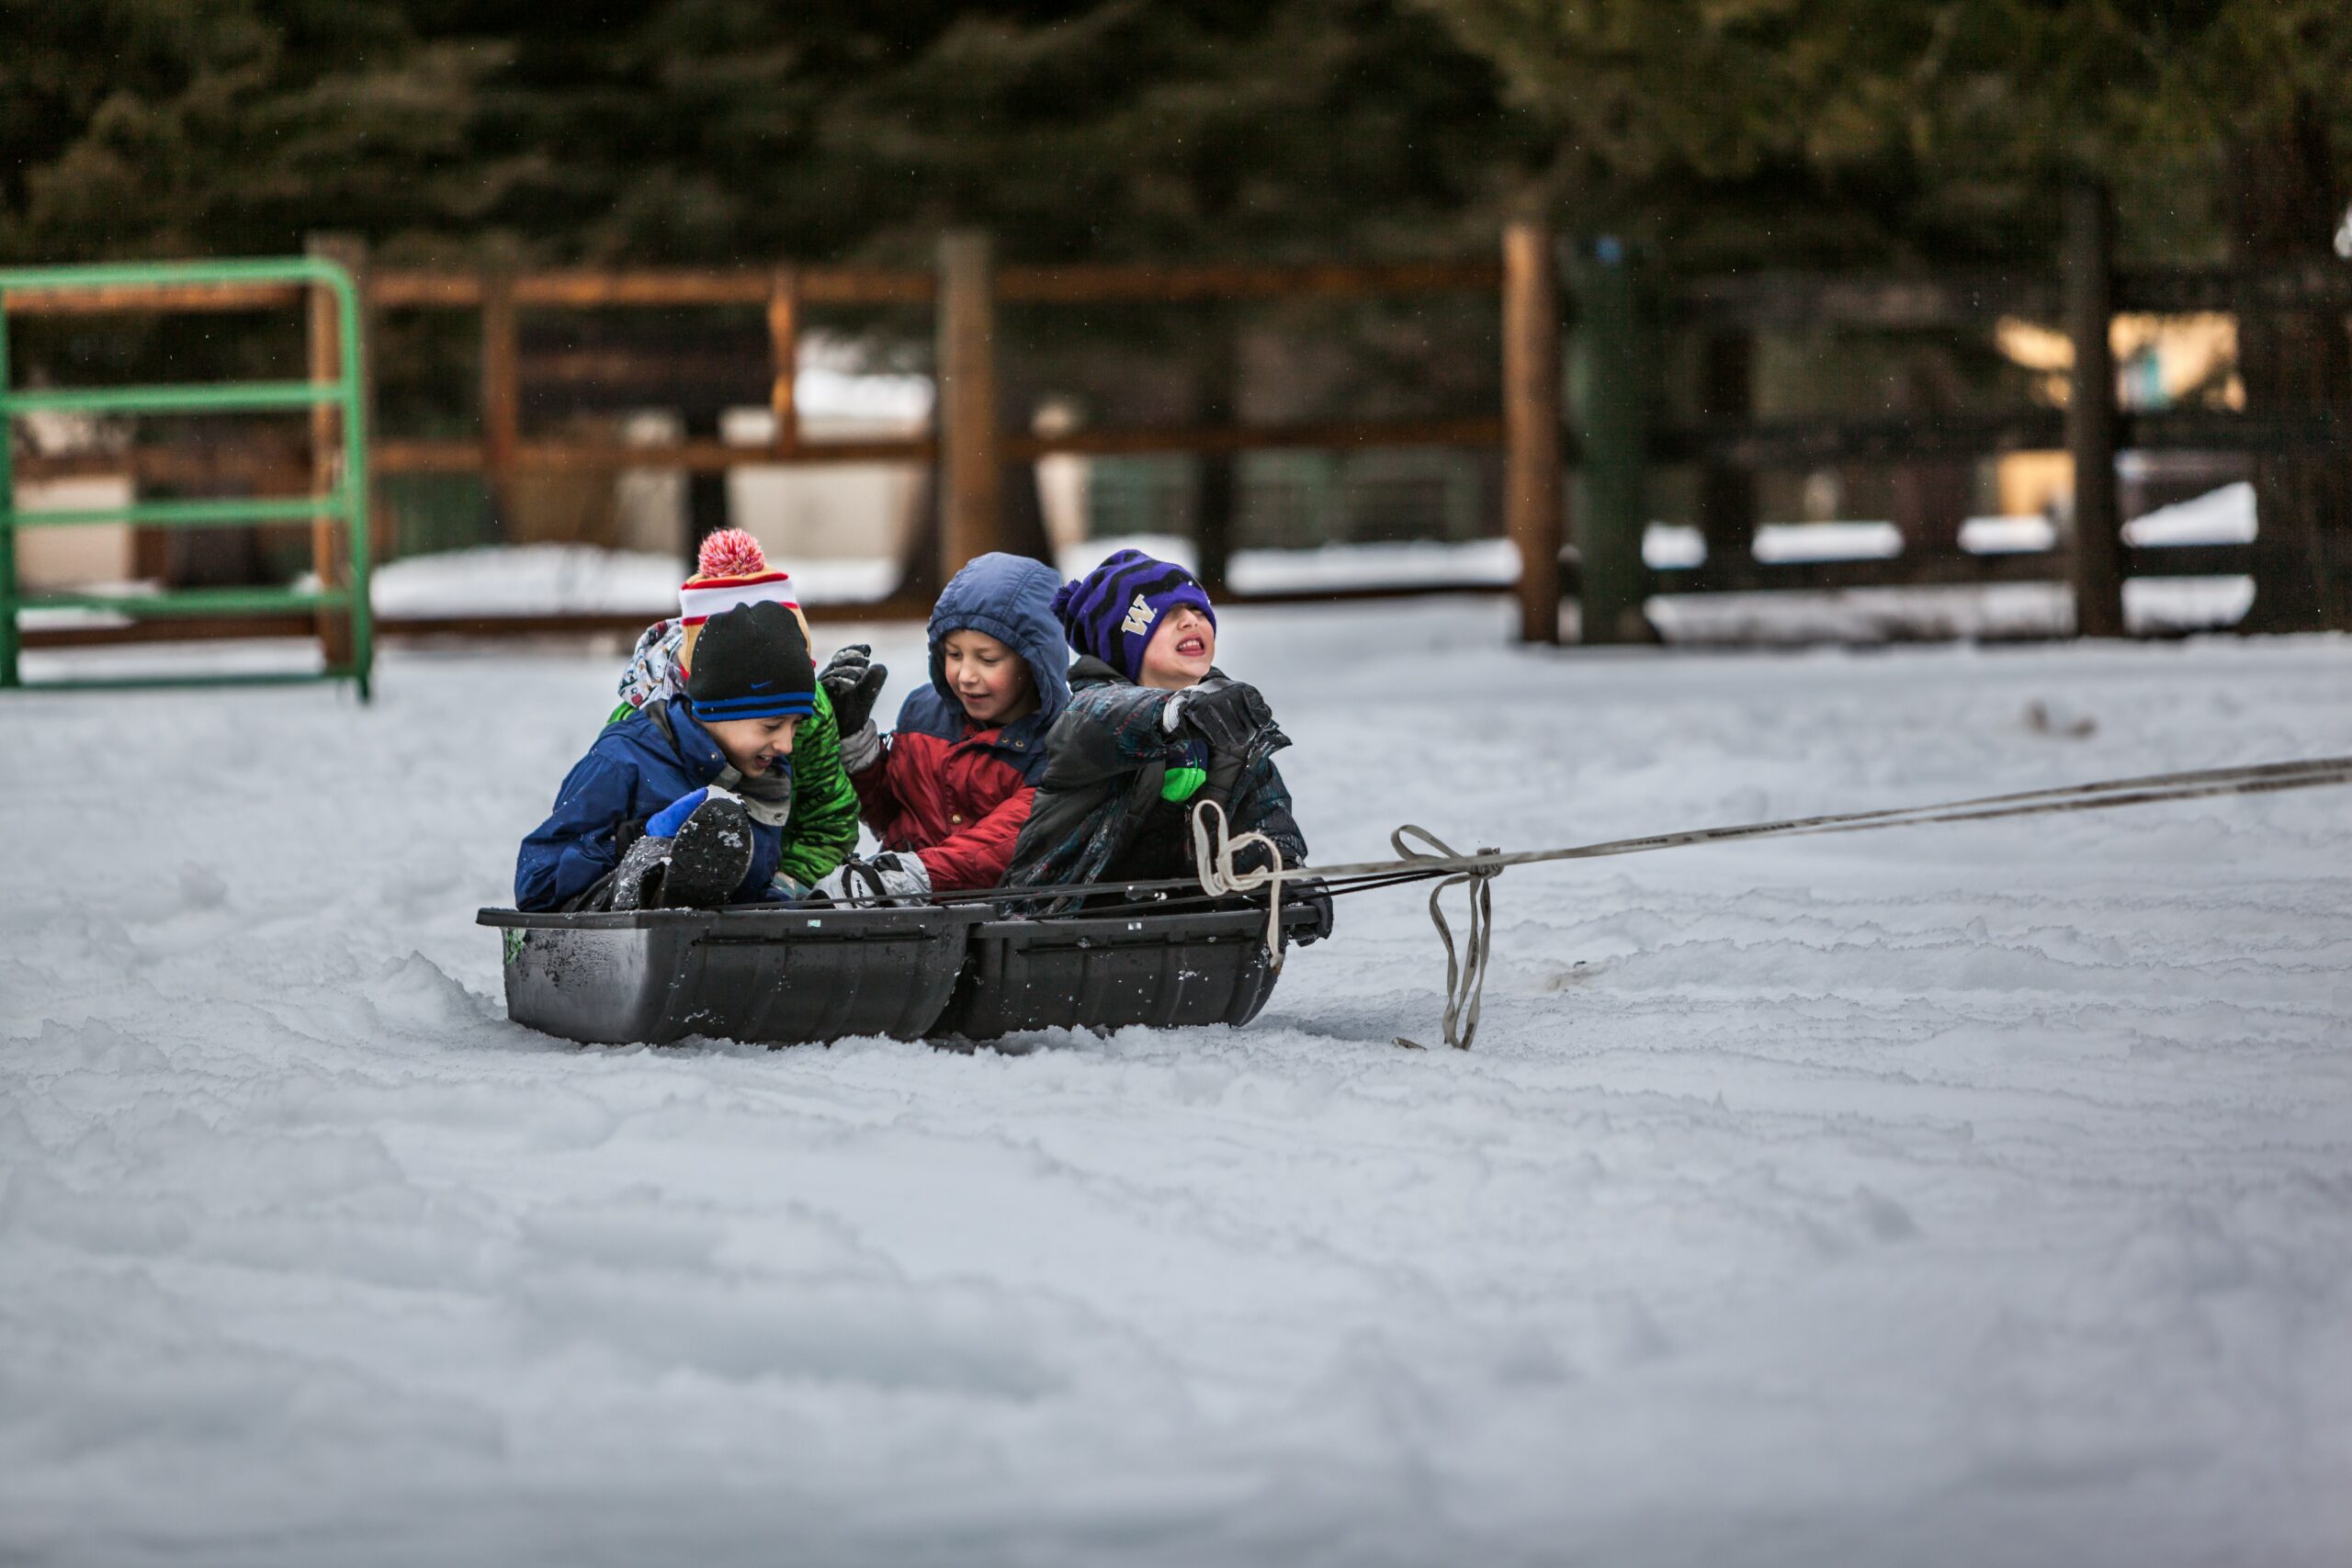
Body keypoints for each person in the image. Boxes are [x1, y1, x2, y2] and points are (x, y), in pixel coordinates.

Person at [1002, 548, 1331, 942]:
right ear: (1123, 646)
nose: (1190, 620)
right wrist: (1175, 711)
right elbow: (1111, 717)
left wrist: (1283, 877)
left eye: (1197, 611)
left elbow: (1264, 815)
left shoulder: (1226, 723)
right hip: (1051, 930)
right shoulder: (1088, 716)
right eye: (1167, 616)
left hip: (1183, 926)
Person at [516, 600, 817, 911]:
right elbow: (537, 883)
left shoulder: (767, 774)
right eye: (771, 726)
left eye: (795, 725)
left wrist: (797, 909)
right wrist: (632, 839)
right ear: (718, 710)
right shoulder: (624, 761)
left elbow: (748, 892)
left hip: (709, 947)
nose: (786, 745)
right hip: (614, 941)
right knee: (652, 863)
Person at [811, 551, 1072, 901]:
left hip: (997, 925)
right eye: (953, 654)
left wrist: (903, 878)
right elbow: (890, 811)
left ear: (1035, 661)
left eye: (987, 659)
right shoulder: (925, 714)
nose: (965, 676)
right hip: (903, 916)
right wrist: (854, 744)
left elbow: (1004, 845)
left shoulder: (1061, 744)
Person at [611, 529, 858, 897]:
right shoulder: (641, 722)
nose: (786, 741)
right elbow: (597, 832)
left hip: (774, 881)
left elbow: (828, 821)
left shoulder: (810, 715)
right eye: (772, 723)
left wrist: (788, 883)